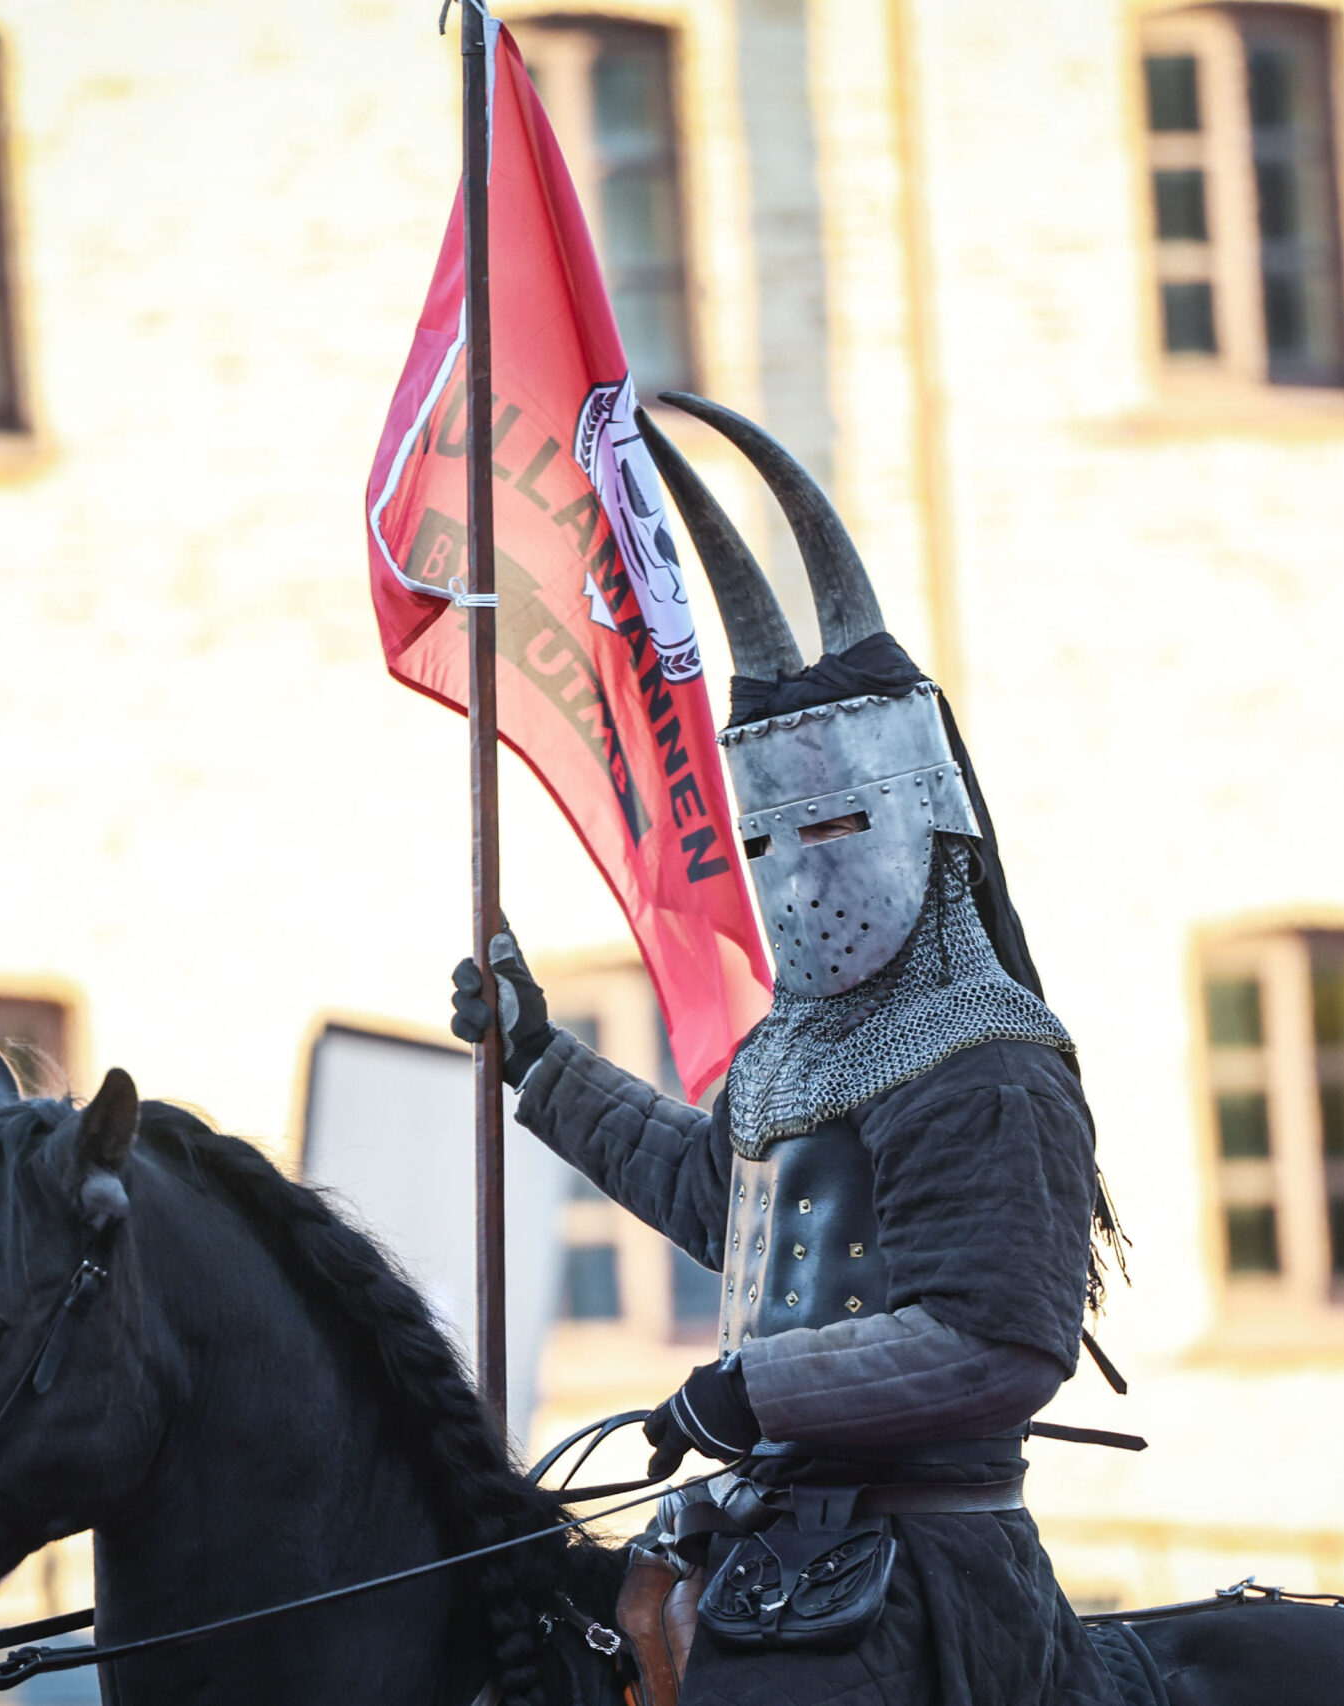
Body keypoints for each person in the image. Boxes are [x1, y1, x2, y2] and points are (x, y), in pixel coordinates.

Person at [450, 393, 1122, 1706]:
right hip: (771, 1530)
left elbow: (998, 1336)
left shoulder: (989, 1058)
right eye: (766, 844)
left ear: (925, 818)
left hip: (927, 1560)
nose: (799, 880)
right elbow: (724, 1199)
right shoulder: (798, 1046)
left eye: (831, 833)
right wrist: (539, 1059)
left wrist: (759, 1383)